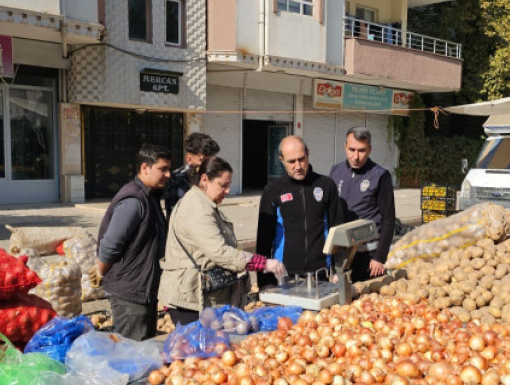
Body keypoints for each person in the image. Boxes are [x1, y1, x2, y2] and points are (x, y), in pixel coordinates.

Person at [160, 157, 286, 323]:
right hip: (189, 299)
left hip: (202, 294)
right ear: (205, 180)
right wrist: (263, 263)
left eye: (229, 185)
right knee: (199, 346)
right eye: (223, 185)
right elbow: (219, 251)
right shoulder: (197, 209)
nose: (227, 191)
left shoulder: (205, 204)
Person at [96, 143, 171, 341]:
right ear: (145, 168)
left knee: (144, 349)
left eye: (169, 169)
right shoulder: (134, 200)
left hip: (142, 289)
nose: (168, 174)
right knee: (132, 354)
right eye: (163, 169)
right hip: (129, 292)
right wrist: (100, 272)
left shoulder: (150, 195)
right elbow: (110, 245)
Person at [256, 135, 343, 279]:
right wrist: (264, 282)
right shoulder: (272, 190)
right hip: (285, 275)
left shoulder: (326, 185)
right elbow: (263, 240)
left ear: (308, 153)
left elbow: (337, 229)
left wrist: (338, 271)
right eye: (291, 161)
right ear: (281, 160)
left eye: (301, 159)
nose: (298, 166)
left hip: (322, 274)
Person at [329, 126, 395, 281]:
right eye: (352, 149)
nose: (356, 156)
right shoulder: (335, 171)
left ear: (370, 149)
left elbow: (388, 219)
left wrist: (380, 257)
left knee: (366, 300)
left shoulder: (380, 176)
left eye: (361, 150)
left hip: (368, 256)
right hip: (340, 253)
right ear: (345, 146)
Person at [163, 132, 221, 217]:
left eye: (212, 160)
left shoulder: (206, 178)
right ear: (189, 160)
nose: (210, 165)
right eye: (203, 161)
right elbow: (180, 219)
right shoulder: (179, 183)